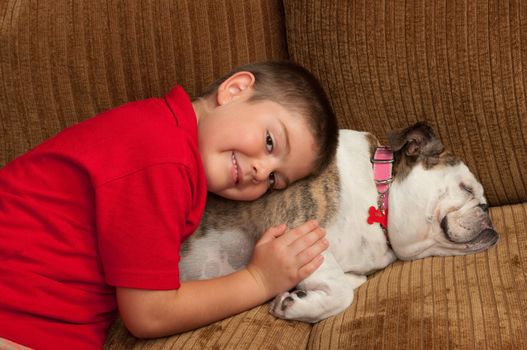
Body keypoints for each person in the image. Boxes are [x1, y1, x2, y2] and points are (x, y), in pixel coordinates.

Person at [0, 61, 339, 349]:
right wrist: (260, 280)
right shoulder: (163, 157)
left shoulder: (173, 151)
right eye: (269, 141)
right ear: (234, 90)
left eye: (274, 181)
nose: (261, 171)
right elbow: (149, 314)